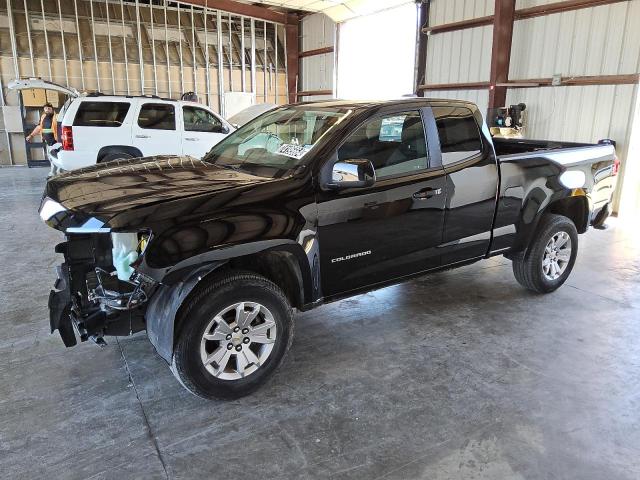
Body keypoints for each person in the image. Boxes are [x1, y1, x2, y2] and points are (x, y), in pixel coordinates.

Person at [26, 103, 60, 176]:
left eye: (49, 108)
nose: (47, 110)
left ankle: (55, 172)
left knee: (55, 157)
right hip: (48, 142)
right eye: (46, 108)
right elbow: (39, 127)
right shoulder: (43, 117)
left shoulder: (57, 117)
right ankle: (56, 172)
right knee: (51, 157)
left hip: (56, 142)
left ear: (52, 109)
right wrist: (31, 135)